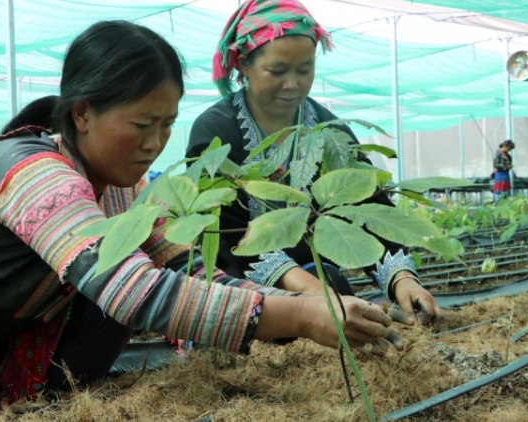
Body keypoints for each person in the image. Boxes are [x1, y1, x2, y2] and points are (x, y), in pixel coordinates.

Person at [0, 21, 409, 422]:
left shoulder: (119, 192)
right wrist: (299, 314)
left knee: (118, 291)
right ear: (82, 113)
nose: (156, 143)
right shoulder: (32, 171)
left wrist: (312, 311)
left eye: (168, 124)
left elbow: (184, 272)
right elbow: (136, 293)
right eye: (141, 123)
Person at [186, 0, 443, 325]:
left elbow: (367, 202)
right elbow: (224, 231)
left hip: (316, 276)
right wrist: (313, 292)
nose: (293, 84)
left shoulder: (327, 130)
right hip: (238, 288)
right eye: (277, 71)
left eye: (305, 70)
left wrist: (401, 279)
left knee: (335, 288)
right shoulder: (216, 131)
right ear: (243, 65)